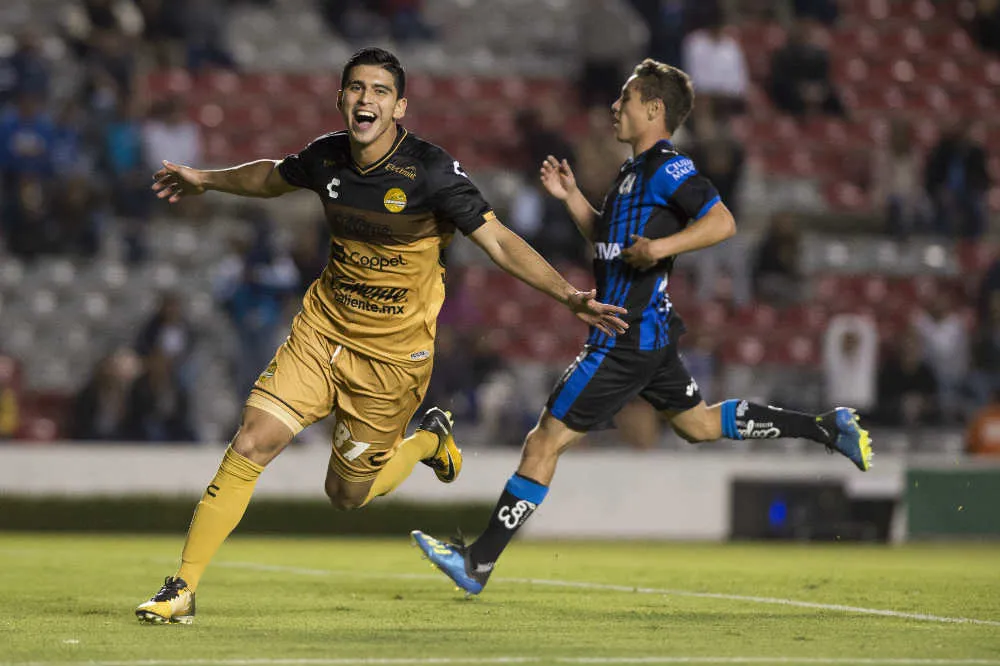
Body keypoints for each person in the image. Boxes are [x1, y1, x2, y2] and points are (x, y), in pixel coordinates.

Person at [134, 47, 627, 624]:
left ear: (400, 107)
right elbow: (271, 176)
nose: (366, 99)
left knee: (346, 496)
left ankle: (426, 442)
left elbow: (497, 241)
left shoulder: (431, 172)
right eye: (356, 88)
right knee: (252, 440)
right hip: (321, 333)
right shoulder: (327, 156)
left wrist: (568, 295)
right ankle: (182, 588)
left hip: (392, 360)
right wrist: (206, 179)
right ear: (341, 97)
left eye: (379, 91)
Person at [412, 58, 873, 596]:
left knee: (543, 441)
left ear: (654, 109)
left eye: (626, 99)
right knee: (697, 425)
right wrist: (572, 199)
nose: (615, 106)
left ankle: (479, 563)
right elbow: (607, 248)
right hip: (647, 334)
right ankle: (827, 428)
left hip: (623, 337)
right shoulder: (631, 175)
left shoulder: (667, 168)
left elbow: (722, 221)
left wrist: (664, 246)